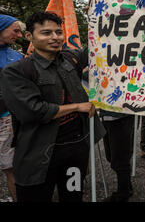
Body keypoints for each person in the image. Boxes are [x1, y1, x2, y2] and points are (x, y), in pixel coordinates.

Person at [0, 12, 105, 202]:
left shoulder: (70, 58)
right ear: (29, 36)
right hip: (38, 155)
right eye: (46, 33)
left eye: (58, 32)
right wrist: (76, 107)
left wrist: (109, 18)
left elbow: (97, 48)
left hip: (75, 151)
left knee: (73, 197)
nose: (55, 38)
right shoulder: (15, 71)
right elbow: (34, 111)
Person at [0, 14, 24, 202]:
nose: (18, 35)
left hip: (7, 119)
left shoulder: (16, 56)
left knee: (10, 167)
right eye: (15, 31)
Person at [100, 110, 134, 202]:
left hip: (121, 117)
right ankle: (126, 188)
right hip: (106, 117)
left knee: (120, 161)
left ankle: (123, 195)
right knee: (110, 156)